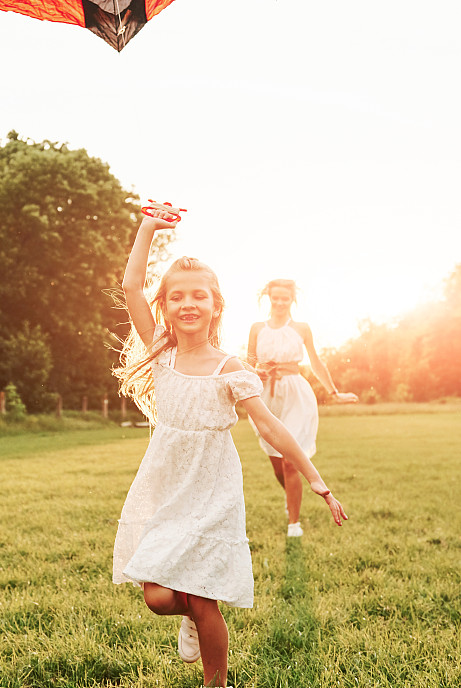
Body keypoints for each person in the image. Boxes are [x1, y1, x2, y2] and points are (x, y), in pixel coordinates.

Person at [112, 211, 348, 688]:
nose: (188, 303)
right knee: (158, 595)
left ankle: (215, 682)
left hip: (214, 487)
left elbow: (272, 426)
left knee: (205, 597)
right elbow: (131, 286)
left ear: (216, 305)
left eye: (199, 295)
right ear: (166, 306)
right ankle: (192, 616)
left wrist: (316, 479)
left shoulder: (230, 367)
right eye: (176, 296)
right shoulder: (161, 350)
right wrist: (147, 229)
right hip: (169, 483)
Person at [247, 278, 358, 539]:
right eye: (276, 298)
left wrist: (334, 392)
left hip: (296, 393)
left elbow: (316, 363)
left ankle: (293, 524)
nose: (280, 302)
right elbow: (249, 361)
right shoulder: (256, 328)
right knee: (276, 462)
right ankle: (291, 497)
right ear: (269, 298)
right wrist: (256, 372)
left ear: (292, 300)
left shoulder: (302, 328)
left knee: (289, 462)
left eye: (285, 298)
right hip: (266, 396)